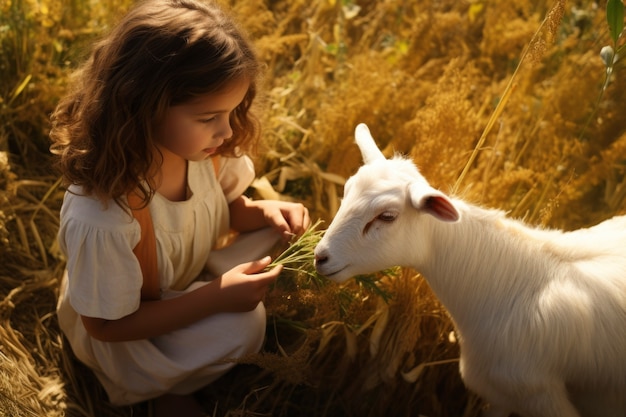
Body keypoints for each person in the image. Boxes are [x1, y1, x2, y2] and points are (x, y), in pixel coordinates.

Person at [49, 0, 310, 415]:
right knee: (247, 324)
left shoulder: (208, 154)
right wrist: (216, 298)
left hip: (189, 279)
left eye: (232, 112)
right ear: (142, 105)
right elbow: (106, 326)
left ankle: (204, 320)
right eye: (209, 116)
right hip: (133, 330)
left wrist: (265, 214)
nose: (226, 131)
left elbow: (223, 209)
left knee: (277, 235)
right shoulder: (104, 214)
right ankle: (162, 388)